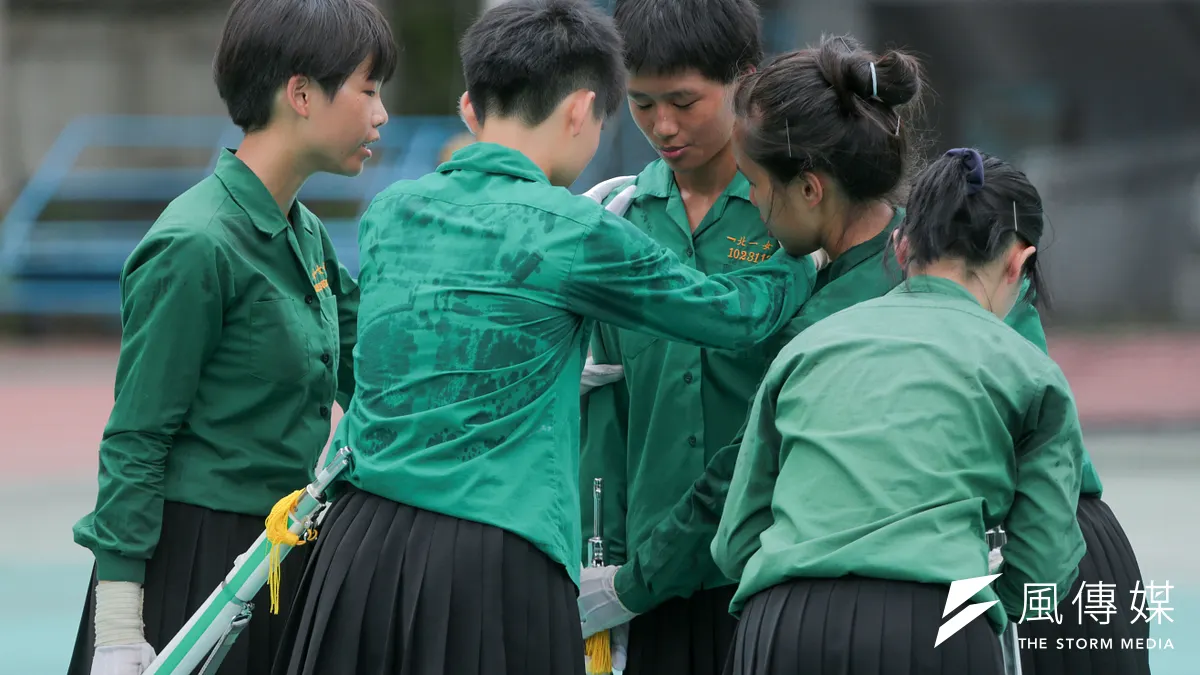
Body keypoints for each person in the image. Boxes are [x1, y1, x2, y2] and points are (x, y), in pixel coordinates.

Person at [269, 1, 818, 674]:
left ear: (471, 108)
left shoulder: (392, 210)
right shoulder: (576, 228)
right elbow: (731, 315)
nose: (660, 126)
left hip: (357, 544)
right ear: (582, 110)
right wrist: (804, 259)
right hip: (491, 551)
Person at [577, 36, 1132, 672]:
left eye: (755, 184)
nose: (749, 204)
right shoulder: (938, 239)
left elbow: (733, 490)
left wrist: (633, 585)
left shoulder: (831, 323)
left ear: (810, 189)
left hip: (1018, 568)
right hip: (1037, 552)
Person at [66, 1, 396, 674]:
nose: (381, 114)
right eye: (367, 89)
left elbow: (377, 374)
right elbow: (137, 437)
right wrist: (119, 626)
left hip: (275, 556)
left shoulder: (304, 232)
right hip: (193, 570)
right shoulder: (195, 243)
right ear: (301, 94)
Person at [712, 144, 1089, 673]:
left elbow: (735, 544)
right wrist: (976, 614)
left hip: (780, 625)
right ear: (1018, 264)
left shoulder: (806, 349)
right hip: (932, 625)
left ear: (900, 245)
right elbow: (1042, 566)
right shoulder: (1030, 372)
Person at [575, 1, 811, 673]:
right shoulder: (615, 220)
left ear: (744, 78)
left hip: (765, 571)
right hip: (643, 586)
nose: (663, 127)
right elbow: (604, 415)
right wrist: (602, 561)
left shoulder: (794, 218)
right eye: (642, 104)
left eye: (683, 102)